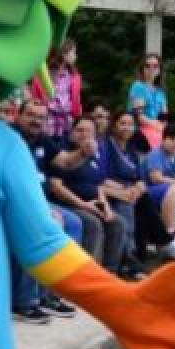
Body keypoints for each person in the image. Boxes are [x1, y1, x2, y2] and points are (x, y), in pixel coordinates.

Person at [10, 99, 87, 322]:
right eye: (31, 115)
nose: (36, 121)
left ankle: (51, 294)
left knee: (74, 223)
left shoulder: (43, 139)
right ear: (18, 115)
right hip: (14, 203)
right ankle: (24, 301)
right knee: (45, 225)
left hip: (40, 203)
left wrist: (83, 153)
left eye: (41, 117)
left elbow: (64, 162)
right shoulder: (11, 138)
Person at [102, 107, 175, 263]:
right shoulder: (107, 146)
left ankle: (143, 254)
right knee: (138, 203)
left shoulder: (131, 149)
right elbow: (103, 177)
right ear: (114, 125)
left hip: (131, 191)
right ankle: (156, 245)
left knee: (142, 199)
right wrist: (126, 189)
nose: (127, 127)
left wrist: (139, 185)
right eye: (122, 123)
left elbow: (138, 177)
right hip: (113, 191)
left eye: (130, 124)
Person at [47, 115, 128, 275]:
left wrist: (105, 206)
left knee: (118, 222)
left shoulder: (93, 155)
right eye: (79, 130)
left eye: (88, 131)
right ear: (71, 132)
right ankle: (88, 275)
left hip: (92, 202)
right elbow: (57, 187)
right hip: (69, 203)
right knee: (93, 224)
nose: (83, 134)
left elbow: (97, 185)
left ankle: (108, 273)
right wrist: (83, 205)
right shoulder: (62, 152)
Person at [28, 39, 81, 139]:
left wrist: (76, 116)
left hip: (66, 119)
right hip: (47, 117)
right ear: (64, 53)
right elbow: (35, 97)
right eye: (73, 52)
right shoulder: (44, 73)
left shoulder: (74, 76)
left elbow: (75, 100)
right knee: (46, 143)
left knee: (63, 145)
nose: (75, 56)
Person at [128, 51, 168, 149]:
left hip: (157, 128)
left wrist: (163, 127)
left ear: (160, 70)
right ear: (142, 69)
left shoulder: (160, 91)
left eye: (155, 66)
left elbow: (164, 116)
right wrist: (158, 126)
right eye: (147, 66)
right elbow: (139, 117)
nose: (151, 68)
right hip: (142, 128)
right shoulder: (138, 86)